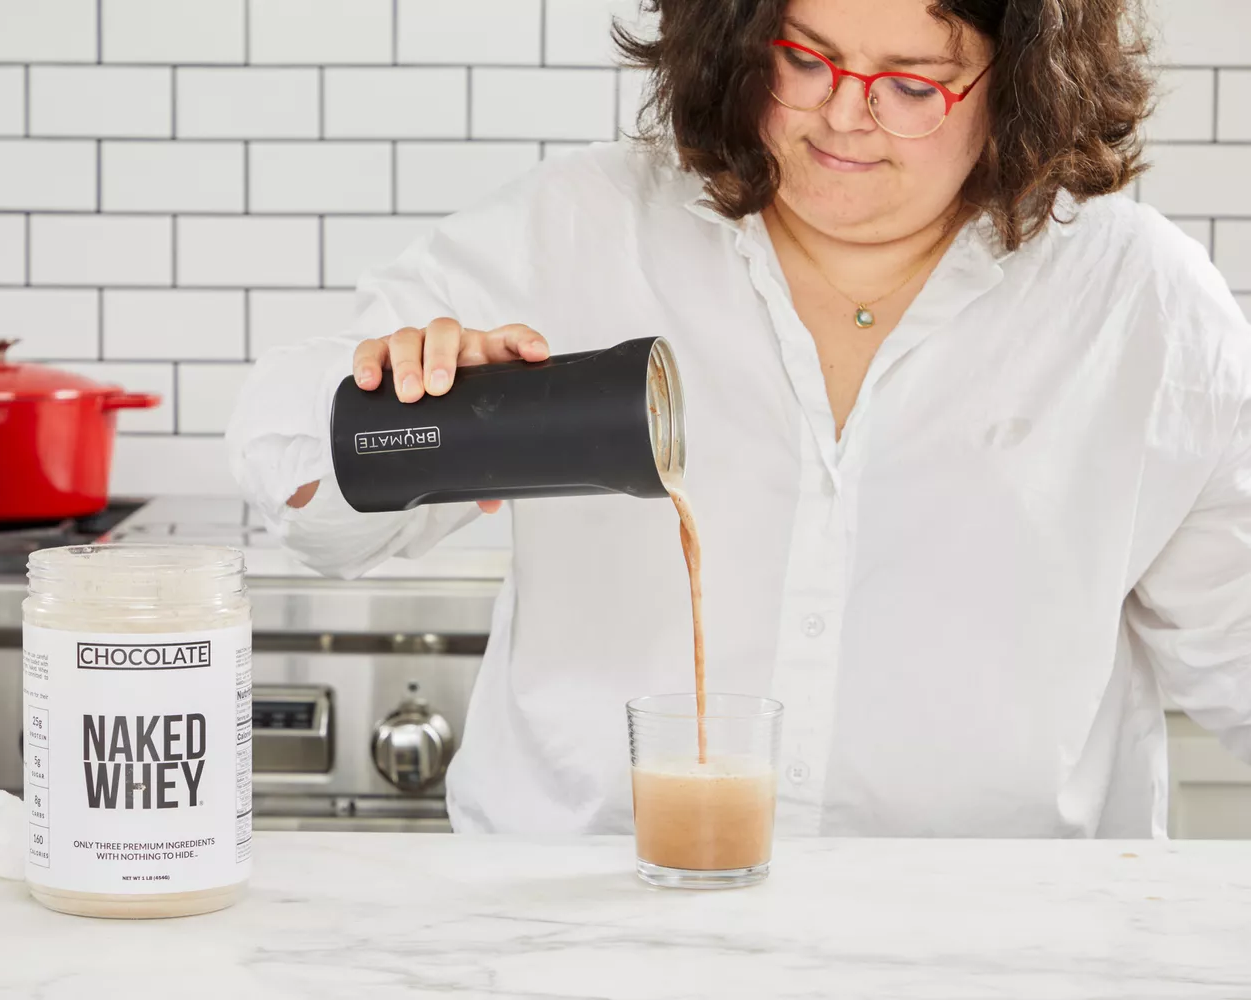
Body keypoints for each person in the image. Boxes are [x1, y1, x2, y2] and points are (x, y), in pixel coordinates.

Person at [229, 0, 1251, 838]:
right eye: (805, 60)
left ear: (1022, 83)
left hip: (1001, 949)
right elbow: (298, 493)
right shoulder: (579, 228)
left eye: (911, 84)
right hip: (580, 938)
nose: (845, 115)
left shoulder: (1137, 301)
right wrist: (412, 408)